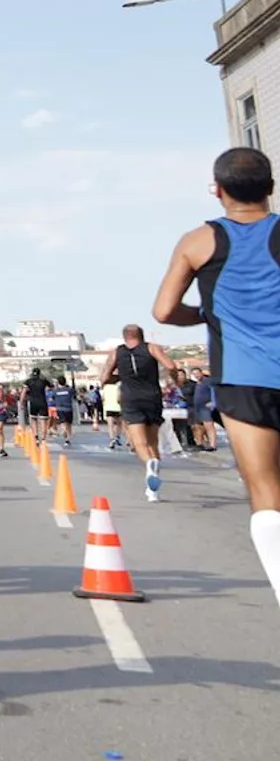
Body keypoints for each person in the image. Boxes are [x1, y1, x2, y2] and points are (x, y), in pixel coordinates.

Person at [151, 147, 280, 606]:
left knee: (265, 488)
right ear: (270, 187)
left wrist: (207, 314)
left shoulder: (198, 241)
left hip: (244, 377)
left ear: (217, 190)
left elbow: (164, 311)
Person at [100, 324, 177, 503]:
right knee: (153, 442)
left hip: (130, 399)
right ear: (141, 335)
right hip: (152, 397)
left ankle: (150, 466)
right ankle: (153, 490)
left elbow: (104, 378)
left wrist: (121, 377)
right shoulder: (152, 348)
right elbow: (171, 365)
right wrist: (172, 380)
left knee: (139, 443)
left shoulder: (116, 353)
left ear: (124, 337)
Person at [191, 370, 218, 451]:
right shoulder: (197, 383)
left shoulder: (207, 381)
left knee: (209, 426)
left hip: (205, 407)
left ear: (201, 373)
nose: (196, 375)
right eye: (194, 374)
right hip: (197, 408)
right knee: (199, 427)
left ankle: (213, 445)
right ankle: (203, 444)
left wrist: (213, 402)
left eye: (198, 373)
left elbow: (214, 391)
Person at [47, 378, 75, 446]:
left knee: (62, 422)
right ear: (65, 382)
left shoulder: (56, 391)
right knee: (69, 424)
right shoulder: (69, 390)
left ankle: (63, 429)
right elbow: (74, 394)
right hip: (68, 409)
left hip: (60, 409)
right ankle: (67, 440)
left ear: (58, 383)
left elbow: (51, 399)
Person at [101, 378, 124, 449]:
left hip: (108, 407)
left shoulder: (105, 387)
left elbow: (103, 398)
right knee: (119, 423)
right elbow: (119, 398)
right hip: (118, 407)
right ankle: (118, 436)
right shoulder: (118, 387)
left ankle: (112, 439)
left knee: (110, 425)